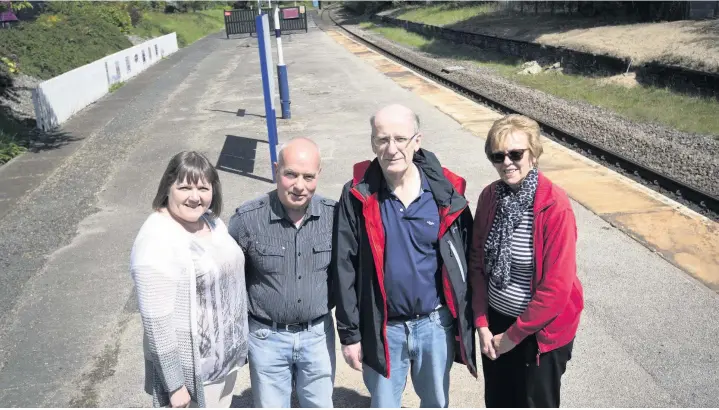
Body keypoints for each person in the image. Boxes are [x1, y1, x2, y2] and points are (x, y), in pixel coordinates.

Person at [332, 104, 477, 408]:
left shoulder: (446, 193)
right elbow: (344, 269)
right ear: (373, 143)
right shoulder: (356, 195)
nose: (392, 148)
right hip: (383, 328)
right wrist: (350, 335)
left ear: (417, 140)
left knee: (436, 403)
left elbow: (466, 261)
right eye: (382, 139)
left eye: (401, 139)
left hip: (434, 325)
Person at [469, 114, 584, 408]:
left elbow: (556, 288)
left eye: (515, 154)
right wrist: (482, 323)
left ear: (533, 154)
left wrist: (513, 336)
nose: (507, 162)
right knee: (498, 401)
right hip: (496, 325)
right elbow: (478, 264)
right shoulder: (490, 197)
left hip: (538, 333)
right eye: (498, 156)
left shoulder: (554, 206)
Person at [130, 151, 248, 408]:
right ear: (167, 188)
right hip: (194, 373)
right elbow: (156, 321)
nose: (195, 197)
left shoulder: (212, 222)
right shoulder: (157, 237)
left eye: (203, 188)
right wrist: (175, 385)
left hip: (225, 362)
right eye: (184, 187)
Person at [228, 137, 336, 408]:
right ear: (276, 169)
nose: (300, 186)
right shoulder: (247, 219)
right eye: (291, 174)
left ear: (318, 175)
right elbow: (229, 282)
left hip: (317, 335)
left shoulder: (335, 217)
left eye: (308, 177)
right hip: (266, 338)